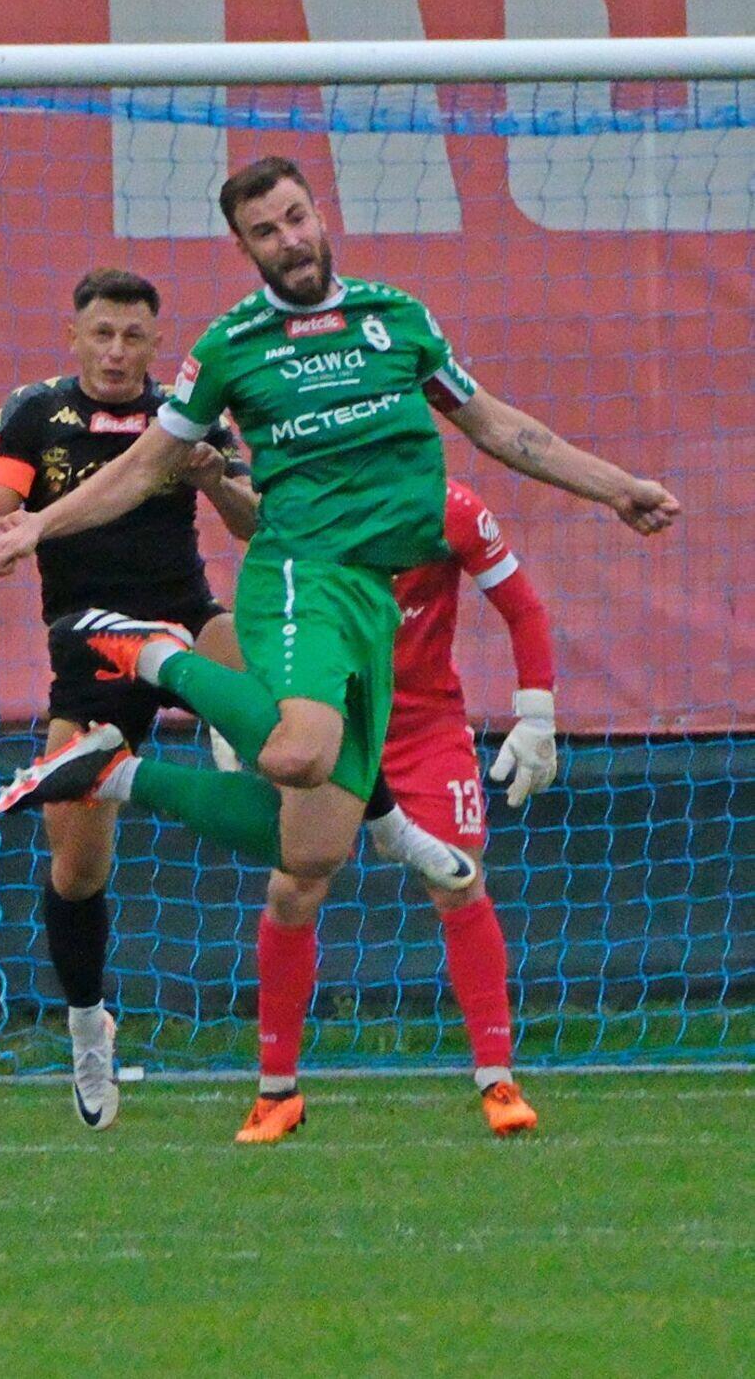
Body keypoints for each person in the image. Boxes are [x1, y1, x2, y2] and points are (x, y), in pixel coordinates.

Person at [0, 156, 678, 1031]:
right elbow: (142, 466)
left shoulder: (397, 319)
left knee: (307, 848)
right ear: (243, 248)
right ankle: (151, 654)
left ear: (320, 215)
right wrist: (40, 526)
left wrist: (616, 487)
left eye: (295, 218)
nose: (289, 239)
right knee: (297, 757)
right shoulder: (231, 347)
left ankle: (120, 773)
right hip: (298, 577)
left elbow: (500, 427)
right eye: (265, 231)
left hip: (371, 599)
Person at [0, 269, 474, 1127]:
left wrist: (212, 478)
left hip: (187, 616)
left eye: (133, 336)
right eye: (102, 334)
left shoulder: (187, 412)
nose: (117, 351)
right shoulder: (35, 414)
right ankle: (89, 1028)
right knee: (78, 870)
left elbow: (254, 523)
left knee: (303, 708)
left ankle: (389, 823)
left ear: (155, 344)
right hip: (90, 640)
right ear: (74, 336)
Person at [236, 478, 557, 1145]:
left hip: (424, 727)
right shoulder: (309, 503)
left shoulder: (453, 509)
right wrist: (245, 704)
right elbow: (267, 611)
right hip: (333, 722)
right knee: (294, 888)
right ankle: (276, 1092)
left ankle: (499, 1081)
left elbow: (523, 608)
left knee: (459, 880)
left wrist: (537, 714)